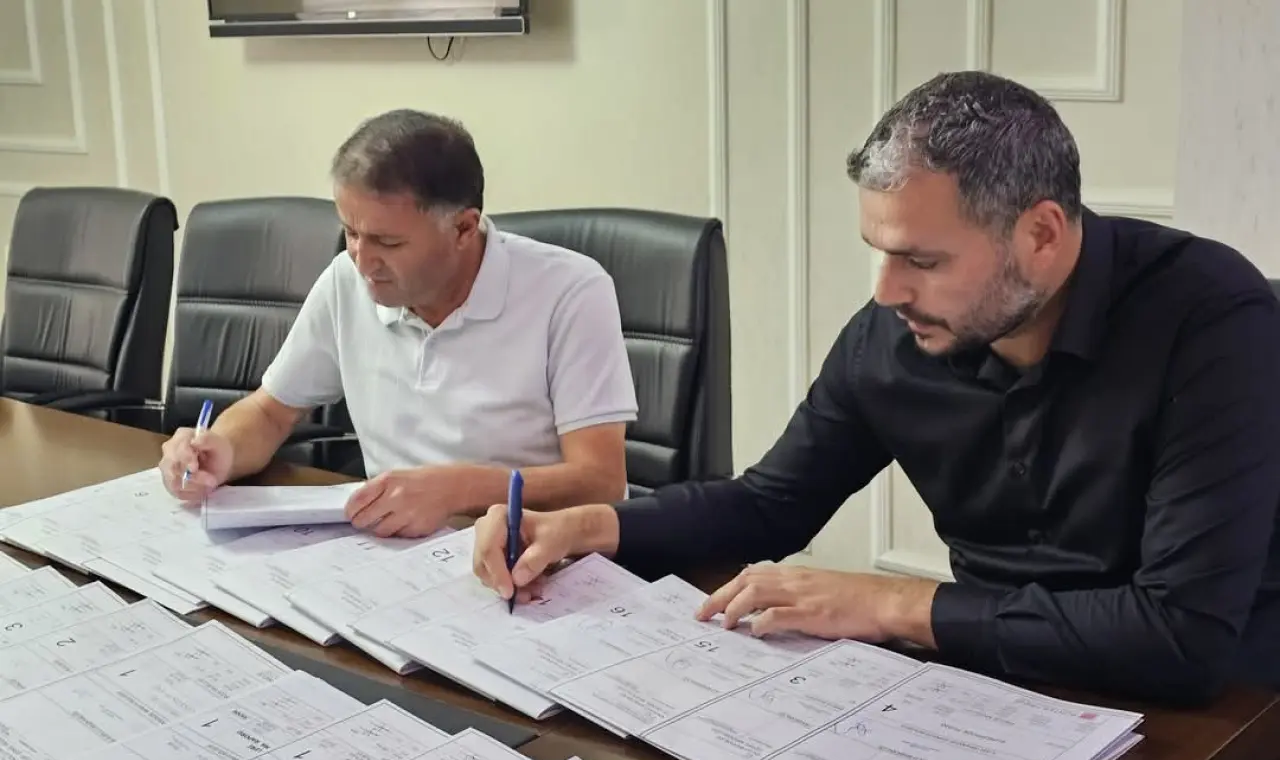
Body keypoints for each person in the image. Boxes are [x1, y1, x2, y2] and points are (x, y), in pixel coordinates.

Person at [473, 71, 1280, 710]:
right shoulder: (894, 335)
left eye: (922, 261)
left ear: (1040, 234)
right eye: (879, 252)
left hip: (1213, 714)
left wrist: (893, 605)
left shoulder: (1213, 322)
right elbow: (769, 505)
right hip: (992, 682)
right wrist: (597, 525)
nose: (887, 291)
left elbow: (1180, 635)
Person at [158, 109, 638, 537]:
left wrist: (458, 489)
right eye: (350, 232)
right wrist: (221, 449)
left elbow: (600, 482)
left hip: (533, 555)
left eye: (388, 243)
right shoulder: (346, 280)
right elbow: (270, 413)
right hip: (390, 551)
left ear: (463, 228)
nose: (362, 260)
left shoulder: (570, 291)